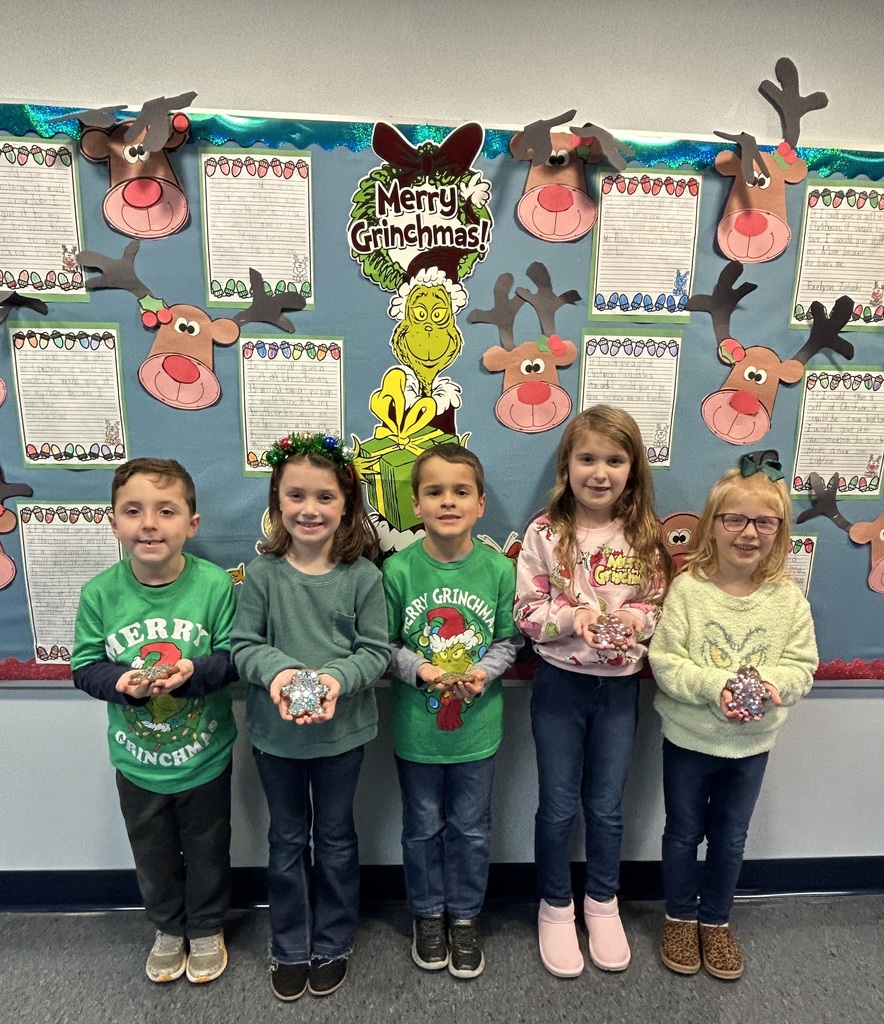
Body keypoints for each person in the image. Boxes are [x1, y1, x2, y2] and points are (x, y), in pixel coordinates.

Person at [514, 405, 672, 978]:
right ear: (567, 464)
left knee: (606, 806)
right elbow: (526, 611)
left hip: (619, 689)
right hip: (559, 684)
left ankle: (601, 902)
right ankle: (555, 906)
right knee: (557, 805)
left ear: (633, 469)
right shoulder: (546, 532)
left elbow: (656, 604)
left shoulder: (645, 535)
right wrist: (571, 616)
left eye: (614, 458)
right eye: (587, 458)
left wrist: (632, 620)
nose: (600, 471)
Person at [230, 432, 389, 1002]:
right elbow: (243, 644)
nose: (309, 509)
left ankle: (334, 938)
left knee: (339, 840)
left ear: (346, 502)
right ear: (277, 502)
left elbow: (376, 651)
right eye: (295, 495)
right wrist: (277, 674)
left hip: (342, 735)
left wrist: (331, 681)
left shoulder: (364, 577)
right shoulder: (264, 573)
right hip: (275, 738)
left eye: (324, 496)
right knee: (287, 840)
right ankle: (291, 944)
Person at [649, 451, 817, 981]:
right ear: (713, 526)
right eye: (735, 519)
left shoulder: (788, 600)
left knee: (730, 838)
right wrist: (715, 685)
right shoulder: (689, 590)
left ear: (779, 530)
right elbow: (665, 660)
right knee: (682, 832)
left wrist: (774, 686)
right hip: (689, 738)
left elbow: (803, 666)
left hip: (750, 748)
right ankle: (679, 915)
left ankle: (716, 921)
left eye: (764, 522)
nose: (749, 532)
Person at [71, 458, 238, 985]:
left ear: (192, 523)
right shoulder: (100, 593)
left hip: (205, 756)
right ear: (113, 521)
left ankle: (208, 927)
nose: (149, 523)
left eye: (166, 511)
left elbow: (235, 658)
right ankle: (168, 928)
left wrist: (191, 672)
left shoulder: (214, 586)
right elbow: (84, 666)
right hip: (137, 761)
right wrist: (119, 683)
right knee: (152, 851)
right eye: (133, 511)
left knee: (210, 847)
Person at [383, 443, 521, 979]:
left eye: (460, 491)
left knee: (471, 828)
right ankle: (426, 914)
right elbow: (384, 644)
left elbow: (510, 640)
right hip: (416, 731)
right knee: (421, 829)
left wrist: (483, 673)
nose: (447, 502)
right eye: (434, 492)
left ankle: (464, 917)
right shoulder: (396, 571)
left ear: (480, 503)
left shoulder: (497, 571)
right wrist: (422, 669)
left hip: (477, 733)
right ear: (416, 504)